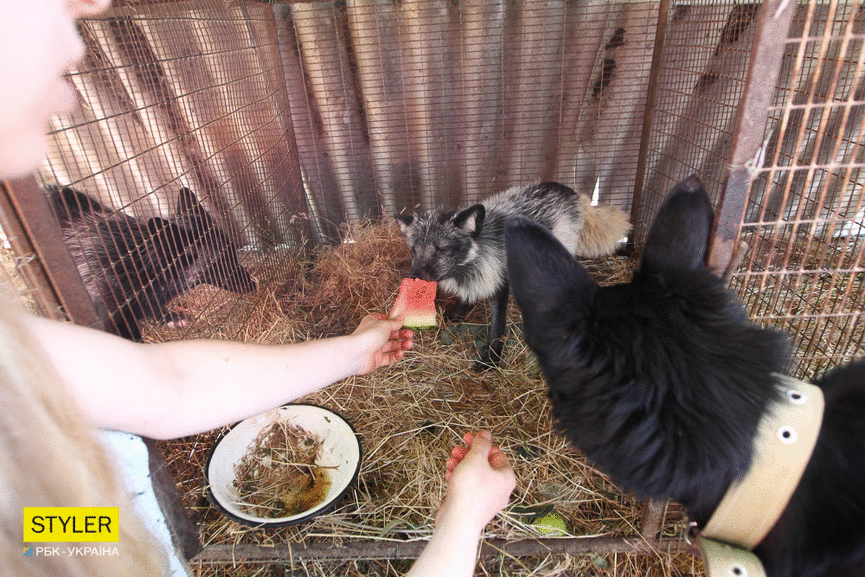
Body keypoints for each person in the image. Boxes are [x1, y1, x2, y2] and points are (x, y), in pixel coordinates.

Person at [0, 0, 516, 575]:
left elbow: (165, 385)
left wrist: (354, 349)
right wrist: (465, 520)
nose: (91, 4)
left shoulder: (15, 355)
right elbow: (52, 537)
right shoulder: (36, 534)